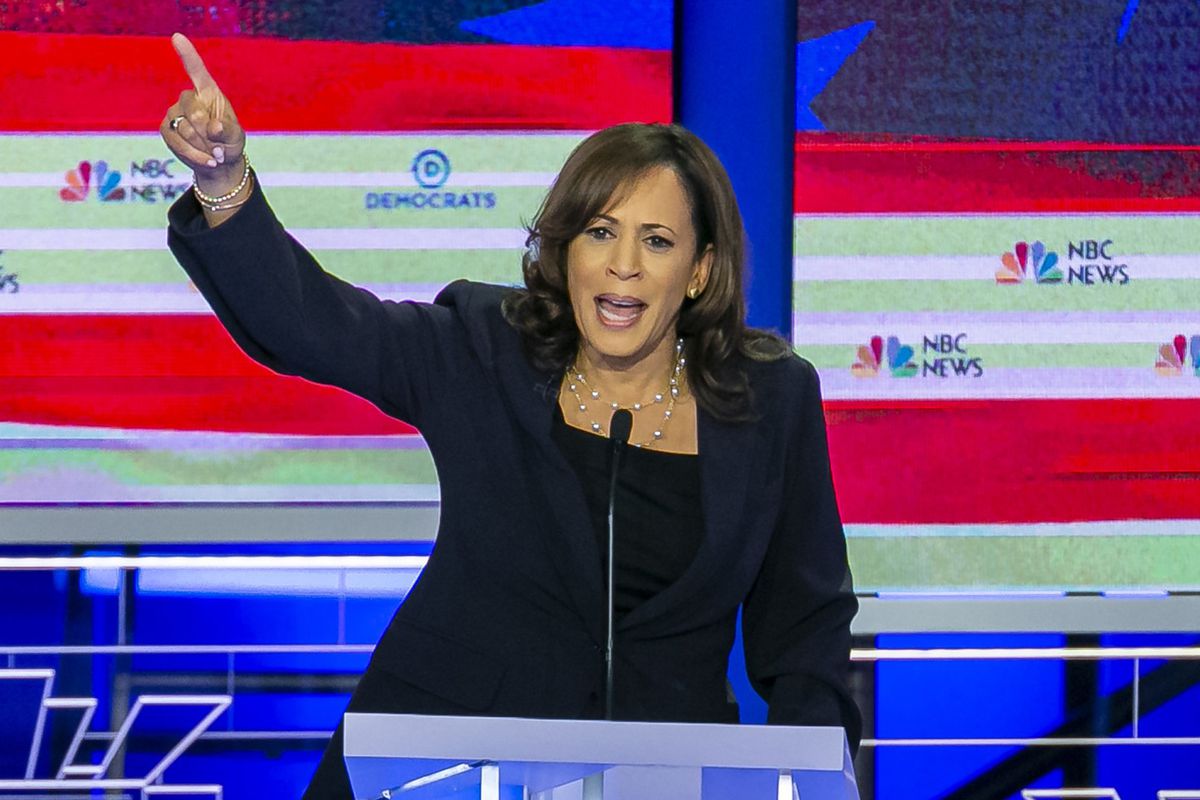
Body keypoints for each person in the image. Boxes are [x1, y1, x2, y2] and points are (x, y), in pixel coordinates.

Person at [161, 33, 861, 799]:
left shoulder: (769, 401)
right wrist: (224, 184)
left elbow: (807, 633)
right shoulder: (486, 350)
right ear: (566, 252)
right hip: (442, 760)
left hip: (660, 773)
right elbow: (317, 325)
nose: (624, 264)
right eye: (600, 232)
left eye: (657, 241)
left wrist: (809, 782)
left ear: (698, 271)